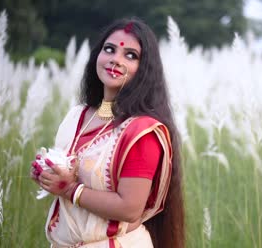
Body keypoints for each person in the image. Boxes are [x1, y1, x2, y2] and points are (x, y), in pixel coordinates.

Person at [30, 17, 185, 248]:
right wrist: (49, 175)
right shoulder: (79, 115)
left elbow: (130, 208)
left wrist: (69, 189)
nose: (116, 59)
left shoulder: (142, 132)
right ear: (97, 55)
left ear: (144, 70)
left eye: (130, 55)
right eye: (109, 49)